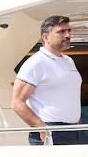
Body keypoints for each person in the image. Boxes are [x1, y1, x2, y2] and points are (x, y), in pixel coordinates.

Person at [12, 16, 86, 146]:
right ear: (45, 37)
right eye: (61, 32)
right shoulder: (36, 63)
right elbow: (17, 103)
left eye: (68, 30)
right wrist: (41, 127)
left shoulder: (68, 61)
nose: (68, 35)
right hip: (51, 131)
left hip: (75, 129)